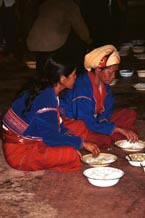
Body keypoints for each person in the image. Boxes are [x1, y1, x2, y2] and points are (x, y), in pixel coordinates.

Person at [1, 55, 100, 172]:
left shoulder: (46, 89)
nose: (75, 78)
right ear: (63, 79)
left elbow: (56, 125)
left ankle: (66, 146)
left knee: (79, 126)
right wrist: (81, 143)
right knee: (70, 155)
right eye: (73, 75)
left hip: (35, 136)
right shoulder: (46, 99)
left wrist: (75, 140)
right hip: (20, 151)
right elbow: (51, 138)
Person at [60, 44, 138, 148]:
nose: (114, 76)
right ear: (98, 69)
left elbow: (105, 115)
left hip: (94, 122)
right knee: (104, 139)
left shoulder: (105, 87)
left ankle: (115, 135)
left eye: (115, 72)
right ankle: (114, 136)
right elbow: (85, 121)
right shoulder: (82, 88)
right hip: (76, 124)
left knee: (129, 114)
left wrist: (108, 126)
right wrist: (117, 129)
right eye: (110, 72)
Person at [26, 0, 92, 74]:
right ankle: (75, 74)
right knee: (79, 46)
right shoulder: (69, 5)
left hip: (33, 42)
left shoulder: (46, 3)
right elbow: (80, 28)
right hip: (51, 45)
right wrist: (89, 41)